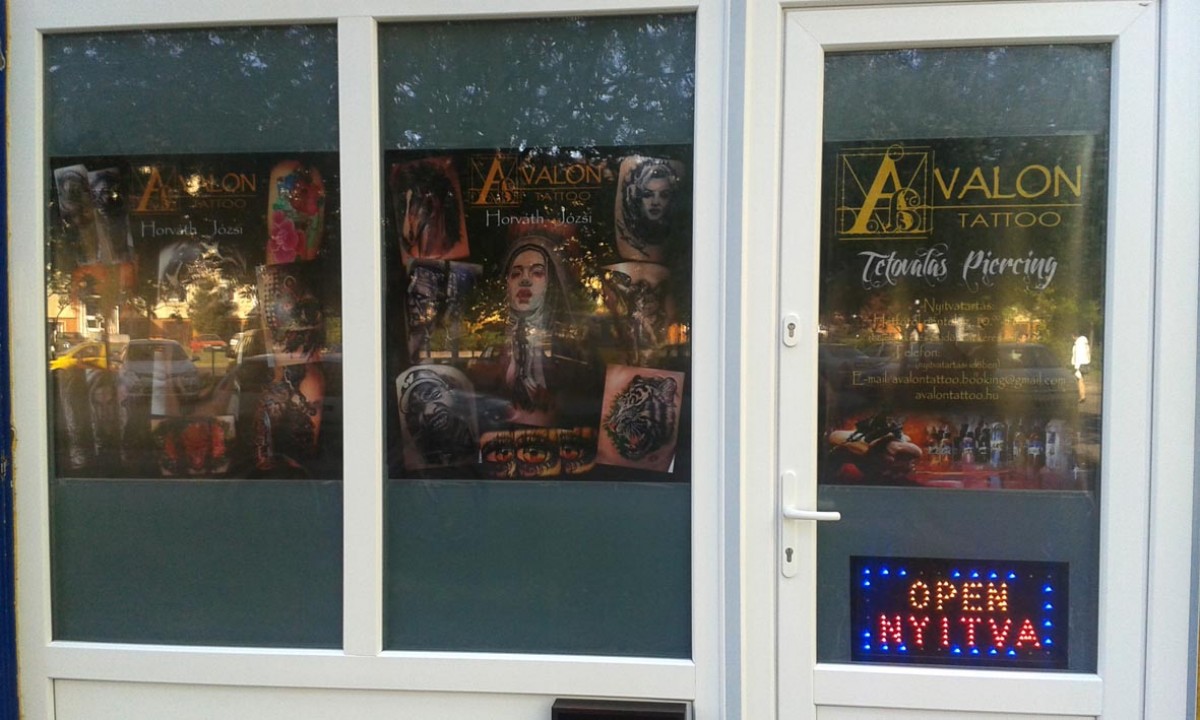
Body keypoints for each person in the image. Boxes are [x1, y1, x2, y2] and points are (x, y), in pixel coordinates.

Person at [499, 235, 574, 424]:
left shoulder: (566, 345)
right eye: (516, 274)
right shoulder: (500, 343)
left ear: (549, 282)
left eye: (537, 272)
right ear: (508, 284)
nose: (525, 280)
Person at [1071, 330, 1091, 403]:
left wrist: (1077, 367)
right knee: (1081, 380)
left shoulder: (1079, 344)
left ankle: (1082, 396)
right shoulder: (1084, 343)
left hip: (1080, 364)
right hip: (1085, 363)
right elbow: (1088, 353)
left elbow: (1078, 356)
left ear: (1074, 336)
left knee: (1079, 380)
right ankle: (1082, 395)